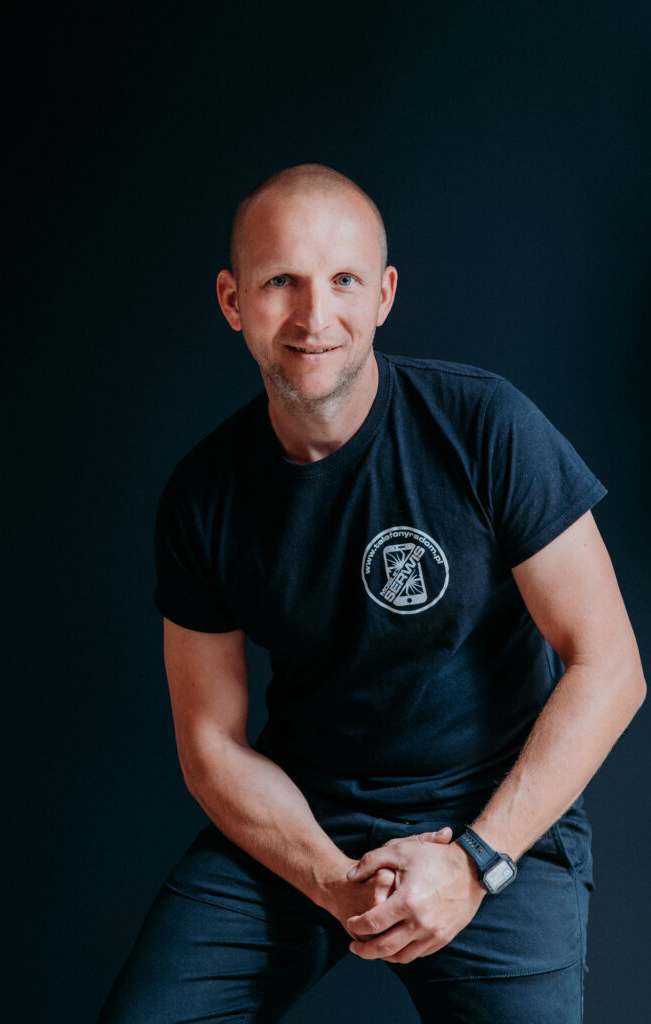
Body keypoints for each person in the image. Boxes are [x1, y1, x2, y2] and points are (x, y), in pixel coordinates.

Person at [96, 163, 646, 1024]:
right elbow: (210, 744)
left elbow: (609, 667)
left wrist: (472, 862)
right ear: (232, 300)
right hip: (303, 818)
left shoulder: (483, 425)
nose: (316, 318)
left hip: (496, 816)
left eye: (343, 280)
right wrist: (329, 877)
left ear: (384, 294)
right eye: (281, 281)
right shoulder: (203, 494)